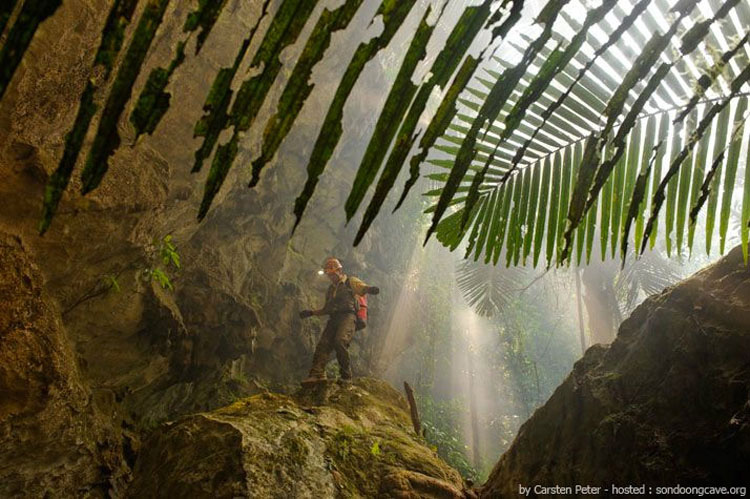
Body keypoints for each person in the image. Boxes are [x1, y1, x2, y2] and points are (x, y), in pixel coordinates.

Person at [299, 257, 379, 385]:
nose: (331, 276)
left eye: (333, 272)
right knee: (323, 344)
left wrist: (369, 289)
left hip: (348, 316)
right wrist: (311, 313)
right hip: (334, 318)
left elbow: (361, 287)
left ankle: (346, 376)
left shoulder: (350, 281)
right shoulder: (331, 290)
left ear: (339, 270)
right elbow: (327, 309)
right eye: (329, 274)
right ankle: (317, 374)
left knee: (340, 341)